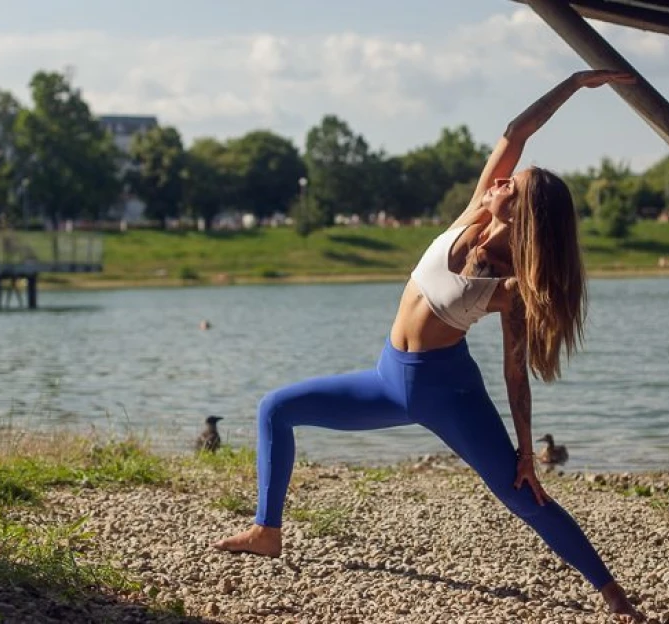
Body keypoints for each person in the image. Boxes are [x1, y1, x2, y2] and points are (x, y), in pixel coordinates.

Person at [213, 69, 644, 622]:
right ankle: (266, 531)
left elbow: (516, 374)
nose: (500, 181)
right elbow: (517, 131)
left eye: (512, 185)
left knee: (520, 496)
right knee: (276, 408)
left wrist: (527, 452)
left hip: (448, 392)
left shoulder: (511, 287)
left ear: (525, 212)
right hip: (388, 379)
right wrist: (576, 82)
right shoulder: (473, 212)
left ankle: (613, 595)